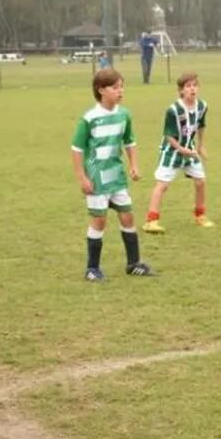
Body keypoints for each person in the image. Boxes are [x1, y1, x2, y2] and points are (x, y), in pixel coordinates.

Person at [71, 68, 154, 281]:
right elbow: (77, 150)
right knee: (99, 222)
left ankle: (134, 263)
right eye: (115, 87)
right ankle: (92, 268)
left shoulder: (124, 114)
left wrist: (134, 165)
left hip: (116, 177)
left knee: (128, 216)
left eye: (121, 86)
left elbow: (130, 142)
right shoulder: (89, 119)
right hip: (97, 178)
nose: (120, 91)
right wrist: (82, 178)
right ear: (101, 90)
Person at [143, 73, 214, 233]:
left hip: (189, 148)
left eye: (195, 85)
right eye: (188, 86)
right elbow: (168, 136)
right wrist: (182, 150)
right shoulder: (173, 110)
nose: (192, 89)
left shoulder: (202, 106)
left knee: (201, 181)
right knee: (162, 185)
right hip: (172, 151)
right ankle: (151, 220)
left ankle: (200, 215)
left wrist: (201, 146)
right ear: (181, 91)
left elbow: (201, 125)